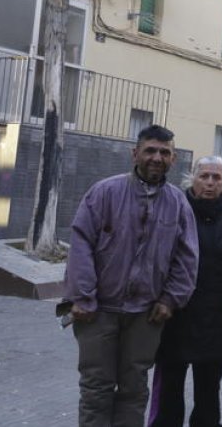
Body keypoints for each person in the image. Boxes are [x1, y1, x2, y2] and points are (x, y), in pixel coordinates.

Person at [62, 124, 199, 427]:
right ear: (134, 153)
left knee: (134, 389)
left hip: (146, 315)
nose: (157, 157)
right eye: (150, 150)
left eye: (165, 152)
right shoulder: (105, 192)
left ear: (173, 159)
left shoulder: (178, 203)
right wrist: (82, 297)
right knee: (96, 388)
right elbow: (81, 243)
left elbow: (186, 257)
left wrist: (170, 299)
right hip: (98, 311)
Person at [148, 156, 222, 427]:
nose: (209, 183)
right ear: (192, 179)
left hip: (217, 317)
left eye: (216, 178)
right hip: (174, 313)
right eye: (204, 176)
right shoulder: (173, 211)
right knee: (170, 384)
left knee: (208, 389)